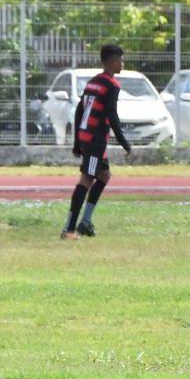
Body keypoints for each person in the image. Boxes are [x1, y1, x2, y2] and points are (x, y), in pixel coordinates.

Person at [63, 43, 132, 238]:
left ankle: (85, 221)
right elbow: (111, 114)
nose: (123, 64)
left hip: (87, 136)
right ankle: (69, 229)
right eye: (121, 60)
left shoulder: (93, 82)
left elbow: (80, 110)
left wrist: (77, 142)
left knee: (104, 176)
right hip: (95, 139)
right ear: (113, 61)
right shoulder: (112, 84)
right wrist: (124, 141)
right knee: (86, 179)